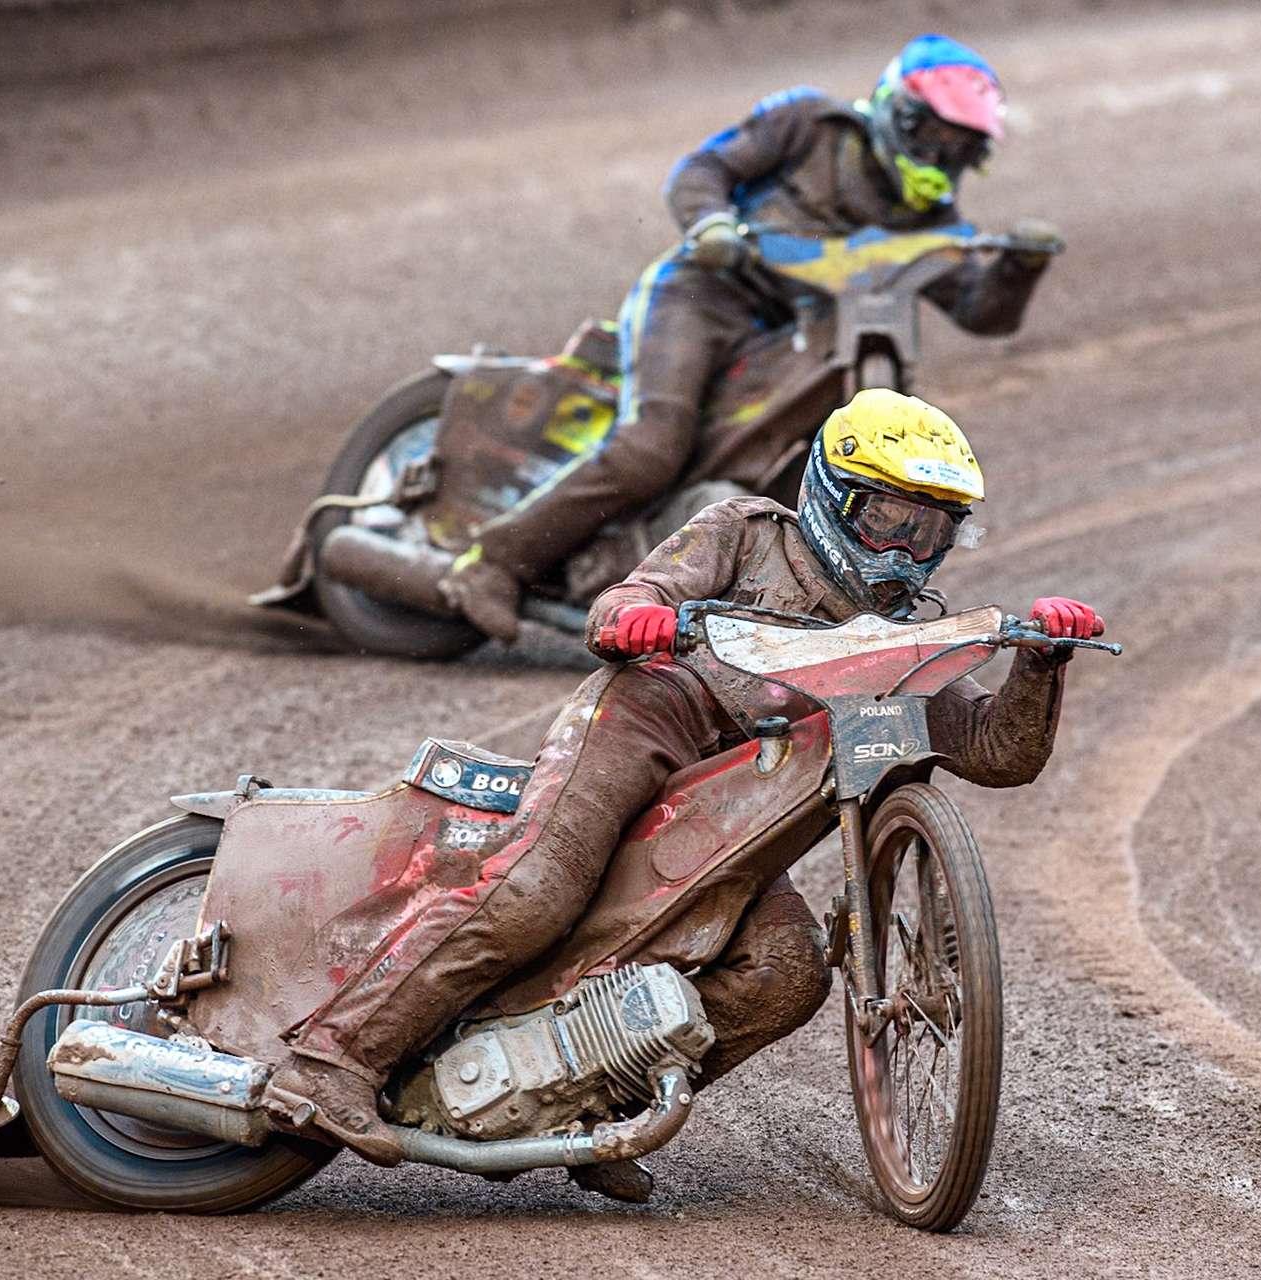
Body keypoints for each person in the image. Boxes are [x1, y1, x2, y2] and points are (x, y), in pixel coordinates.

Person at [264, 388, 1104, 1203]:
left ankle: (597, 1114)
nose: (901, 552)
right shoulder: (746, 533)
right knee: (535, 889)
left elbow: (999, 752)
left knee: (787, 973)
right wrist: (636, 617)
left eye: (930, 532)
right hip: (649, 724)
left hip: (737, 818)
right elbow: (624, 603)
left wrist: (1042, 662)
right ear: (829, 494)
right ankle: (331, 1063)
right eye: (886, 519)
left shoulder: (897, 649)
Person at [437, 33, 1065, 643]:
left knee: (806, 478)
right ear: (898, 113)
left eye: (959, 149)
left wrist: (1019, 267)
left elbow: (983, 313)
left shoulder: (934, 223)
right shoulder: (809, 122)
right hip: (703, 295)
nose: (940, 157)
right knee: (652, 447)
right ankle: (492, 563)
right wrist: (711, 224)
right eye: (934, 135)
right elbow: (701, 169)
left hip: (792, 340)